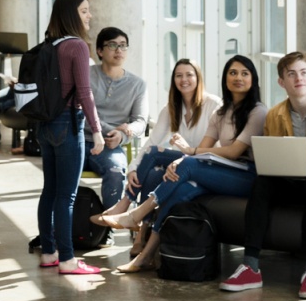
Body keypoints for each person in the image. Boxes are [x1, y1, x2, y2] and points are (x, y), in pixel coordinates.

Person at [99, 55, 266, 272]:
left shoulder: (258, 111)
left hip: (247, 175)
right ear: (225, 78)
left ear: (253, 79)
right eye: (233, 73)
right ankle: (144, 256)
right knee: (179, 187)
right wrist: (183, 158)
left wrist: (188, 154)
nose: (238, 78)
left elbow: (234, 152)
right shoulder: (221, 113)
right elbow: (202, 150)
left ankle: (136, 215)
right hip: (221, 170)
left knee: (186, 164)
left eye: (245, 73)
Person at [219, 51, 306, 299]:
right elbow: (273, 157)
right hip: (296, 184)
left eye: (303, 73)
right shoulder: (275, 115)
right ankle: (250, 267)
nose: (298, 78)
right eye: (291, 74)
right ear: (281, 82)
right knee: (262, 182)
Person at [92, 59, 220, 254]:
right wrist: (133, 169)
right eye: (179, 75)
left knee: (155, 159)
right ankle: (140, 235)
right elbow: (151, 142)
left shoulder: (213, 104)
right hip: (183, 161)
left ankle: (126, 205)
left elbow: (212, 148)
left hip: (204, 163)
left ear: (198, 78)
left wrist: (184, 158)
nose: (183, 79)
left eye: (189, 75)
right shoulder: (171, 108)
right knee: (152, 171)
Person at [34, 0, 107, 276]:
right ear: (71, 15)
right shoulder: (77, 46)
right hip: (69, 123)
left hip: (45, 124)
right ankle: (67, 259)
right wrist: (97, 131)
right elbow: (85, 93)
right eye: (84, 11)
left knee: (50, 191)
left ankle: (49, 252)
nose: (90, 16)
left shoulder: (50, 44)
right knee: (67, 196)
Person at [83, 26, 147, 210]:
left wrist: (122, 136)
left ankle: (109, 226)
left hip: (110, 145)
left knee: (116, 170)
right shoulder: (85, 75)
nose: (119, 50)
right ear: (99, 51)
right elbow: (80, 113)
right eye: (112, 45)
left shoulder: (138, 85)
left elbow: (141, 121)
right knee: (61, 172)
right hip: (79, 139)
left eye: (123, 45)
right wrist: (113, 129)